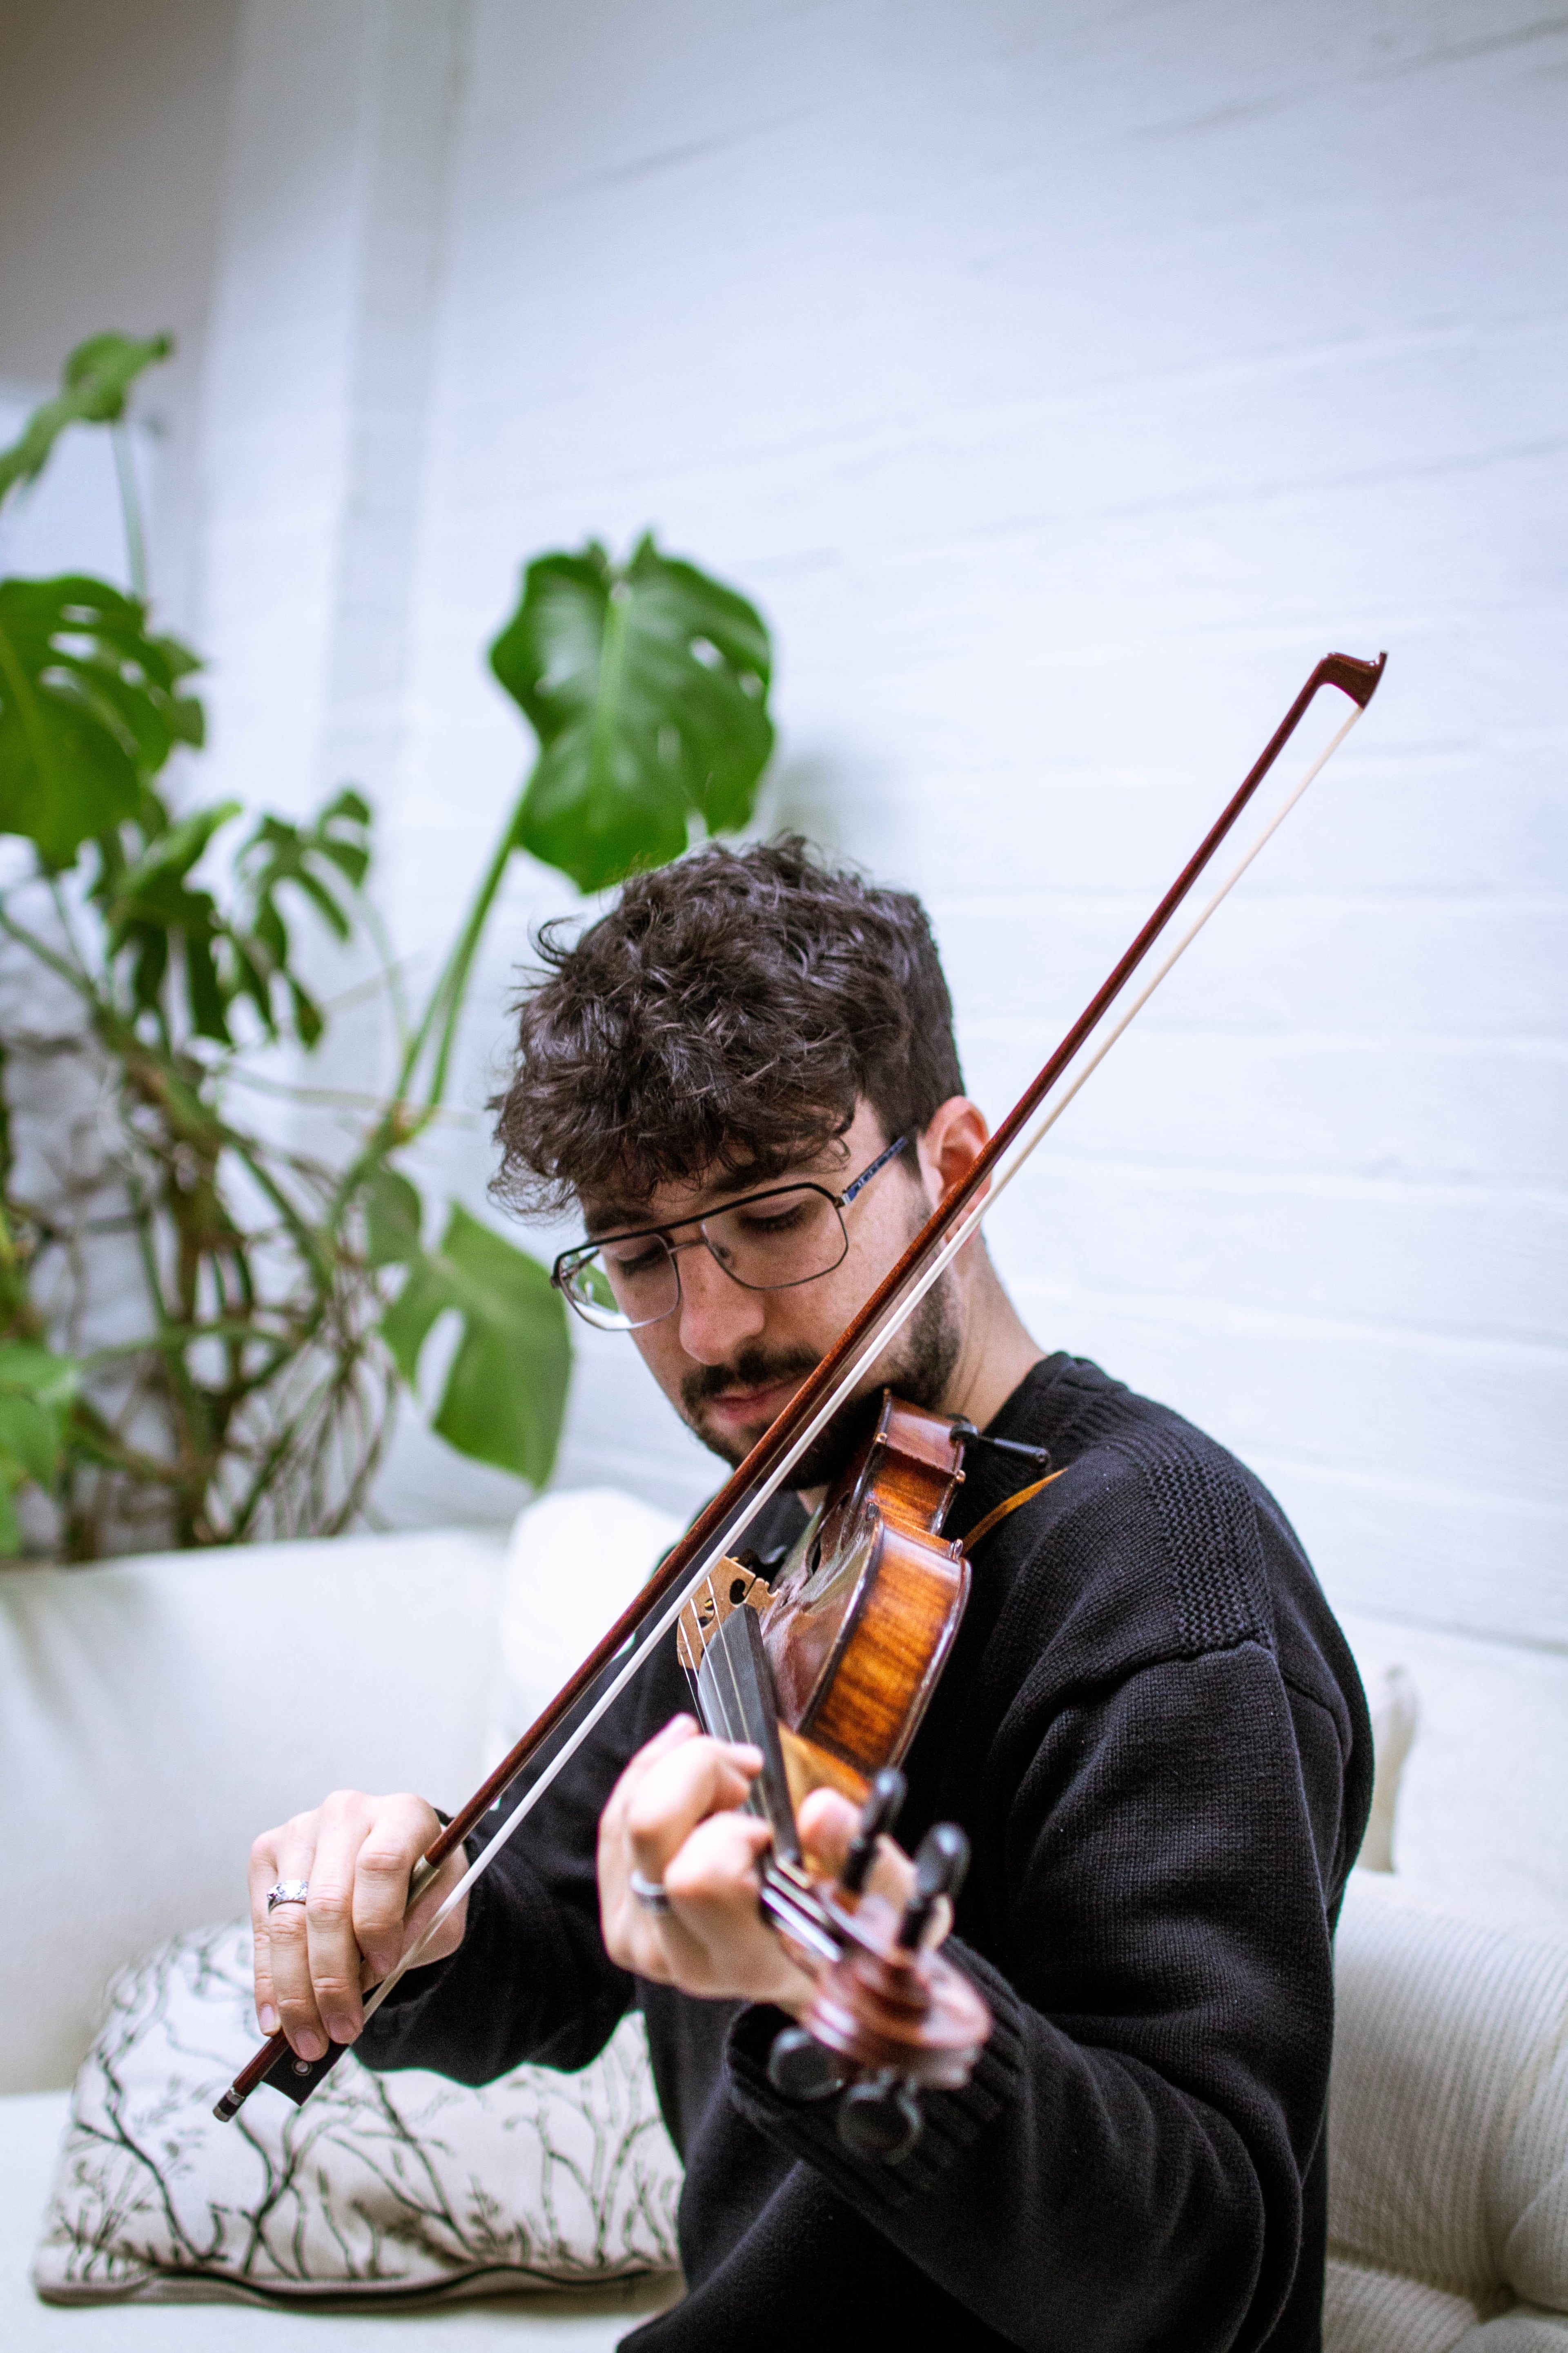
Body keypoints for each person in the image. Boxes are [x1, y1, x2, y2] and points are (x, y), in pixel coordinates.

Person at [248, 839, 1371, 2352]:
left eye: (778, 1217)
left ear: (956, 1169)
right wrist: (409, 1922)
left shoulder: (1169, 1572)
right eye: (641, 1256)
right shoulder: (774, 1536)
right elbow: (551, 1923)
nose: (709, 1328)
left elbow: (1197, 2266)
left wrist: (854, 1991)